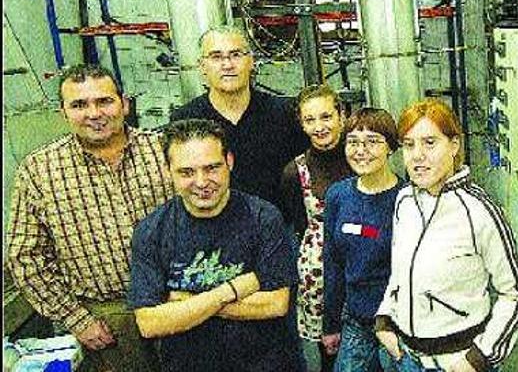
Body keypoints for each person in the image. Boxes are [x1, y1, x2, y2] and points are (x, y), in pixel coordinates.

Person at [7, 64, 175, 372]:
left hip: (178, 303)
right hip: (108, 324)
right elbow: (25, 258)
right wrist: (76, 319)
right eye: (79, 105)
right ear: (63, 112)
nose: (94, 113)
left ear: (124, 103)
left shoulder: (164, 151)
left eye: (104, 101)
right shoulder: (40, 171)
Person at [374, 98, 518, 372]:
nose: (417, 155)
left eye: (430, 143)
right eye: (409, 145)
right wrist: (385, 319)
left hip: (456, 362)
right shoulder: (404, 201)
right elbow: (401, 272)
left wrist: (478, 358)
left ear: (454, 146)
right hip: (405, 359)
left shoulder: (479, 211)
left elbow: (517, 294)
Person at [128, 119, 299, 371]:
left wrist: (187, 304)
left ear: (229, 161)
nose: (201, 182)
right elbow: (149, 323)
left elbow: (275, 304)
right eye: (187, 172)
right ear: (168, 171)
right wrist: (230, 290)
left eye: (212, 168)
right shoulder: (151, 231)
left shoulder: (264, 217)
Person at [170, 25, 308, 218]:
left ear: (251, 61)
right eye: (216, 57)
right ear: (202, 67)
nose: (227, 64)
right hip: (215, 230)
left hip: (279, 231)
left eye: (236, 55)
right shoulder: (185, 120)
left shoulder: (284, 113)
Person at [322, 108, 404, 372]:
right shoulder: (338, 196)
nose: (361, 150)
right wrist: (330, 324)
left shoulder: (407, 199)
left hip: (398, 325)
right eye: (353, 142)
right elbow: (333, 264)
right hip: (356, 321)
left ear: (391, 147)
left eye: (372, 141)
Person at [280, 84, 353, 372]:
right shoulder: (293, 173)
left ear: (341, 115)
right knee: (332, 359)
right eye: (310, 120)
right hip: (321, 281)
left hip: (365, 269)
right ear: (301, 123)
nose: (320, 127)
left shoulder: (362, 158)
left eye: (326, 116)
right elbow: (300, 226)